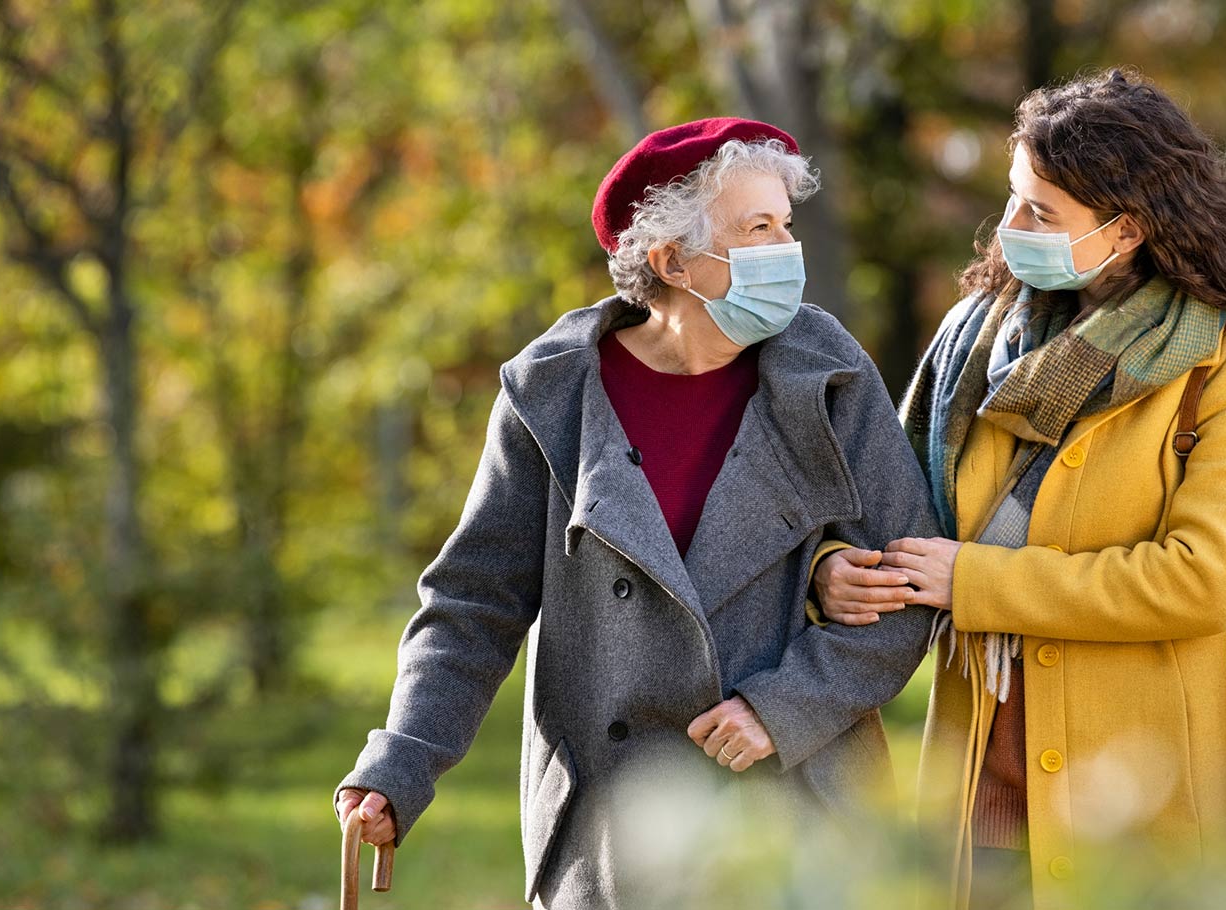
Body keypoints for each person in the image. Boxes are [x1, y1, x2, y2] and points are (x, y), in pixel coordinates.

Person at [333, 118, 940, 909]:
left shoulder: (827, 371)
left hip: (800, 813)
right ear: (672, 261)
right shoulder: (551, 394)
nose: (785, 250)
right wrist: (400, 760)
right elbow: (473, 605)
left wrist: (784, 707)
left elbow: (911, 578)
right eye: (757, 228)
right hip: (611, 828)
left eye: (785, 225)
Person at [812, 69, 1226, 909]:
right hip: (980, 783)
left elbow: (1203, 577)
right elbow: (884, 510)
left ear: (1126, 231)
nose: (1009, 229)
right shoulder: (975, 339)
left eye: (1040, 213)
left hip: (1150, 792)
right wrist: (837, 567)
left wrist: (975, 583)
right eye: (1013, 199)